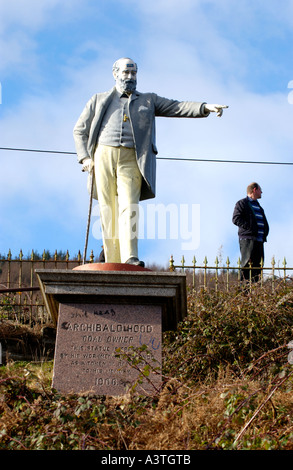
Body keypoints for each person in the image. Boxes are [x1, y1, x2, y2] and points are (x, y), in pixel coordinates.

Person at [73, 57, 228, 266]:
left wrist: (204, 107)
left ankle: (130, 257)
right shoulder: (99, 99)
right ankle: (112, 259)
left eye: (133, 73)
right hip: (103, 156)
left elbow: (176, 106)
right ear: (115, 73)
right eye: (125, 72)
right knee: (107, 208)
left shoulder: (148, 100)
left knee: (130, 206)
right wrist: (85, 158)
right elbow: (80, 130)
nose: (129, 77)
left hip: (132, 158)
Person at [232, 182, 269, 282]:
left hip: (259, 241)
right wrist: (250, 228)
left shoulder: (259, 206)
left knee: (258, 267)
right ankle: (244, 293)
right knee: (247, 266)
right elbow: (236, 219)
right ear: (254, 190)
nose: (261, 192)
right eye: (260, 190)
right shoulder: (242, 203)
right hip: (248, 240)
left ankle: (254, 292)